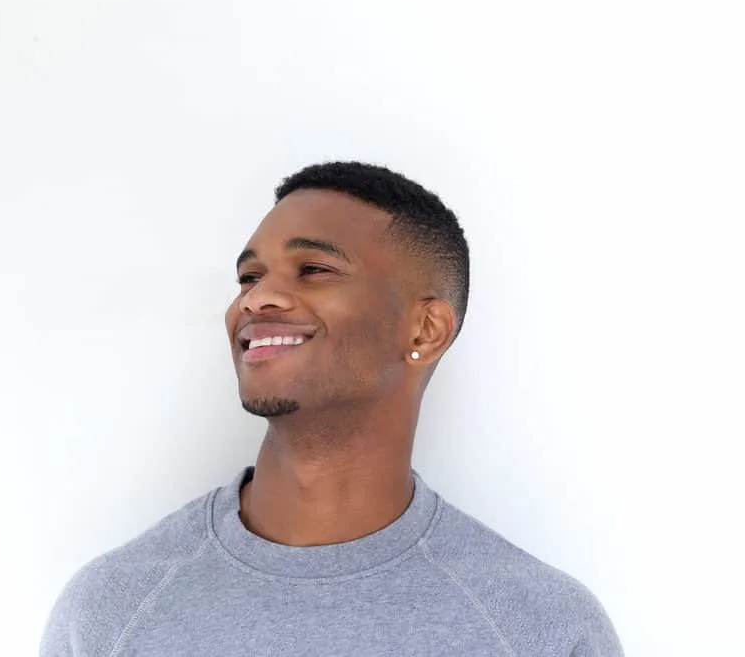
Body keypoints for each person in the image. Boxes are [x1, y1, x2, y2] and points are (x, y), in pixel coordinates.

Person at [40, 161, 623, 656]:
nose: (256, 297)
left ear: (426, 328)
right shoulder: (111, 612)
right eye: (249, 276)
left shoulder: (539, 629)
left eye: (314, 269)